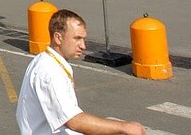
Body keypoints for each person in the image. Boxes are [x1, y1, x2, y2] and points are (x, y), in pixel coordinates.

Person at [16, 9, 146, 135]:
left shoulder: (48, 60)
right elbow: (73, 120)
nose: (83, 46)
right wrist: (124, 127)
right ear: (58, 37)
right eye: (77, 38)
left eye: (83, 39)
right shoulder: (49, 71)